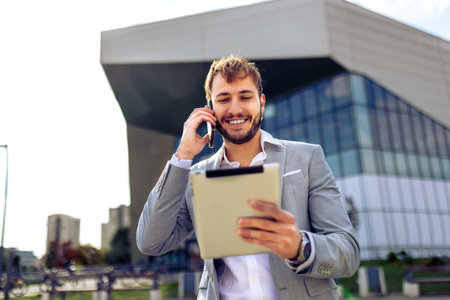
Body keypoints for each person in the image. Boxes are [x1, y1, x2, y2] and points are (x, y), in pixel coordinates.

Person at [137, 55, 360, 300]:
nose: (235, 109)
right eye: (223, 99)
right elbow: (150, 242)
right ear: (210, 109)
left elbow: (347, 255)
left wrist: (300, 247)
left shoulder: (307, 158)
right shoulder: (195, 176)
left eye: (245, 97)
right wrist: (182, 155)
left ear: (261, 103)